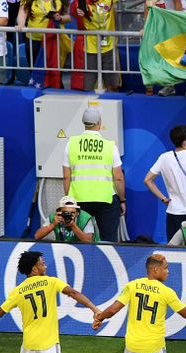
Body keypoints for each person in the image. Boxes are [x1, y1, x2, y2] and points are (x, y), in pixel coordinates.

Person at [63, 108, 126, 243]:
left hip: (79, 199)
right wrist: (122, 200)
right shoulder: (110, 146)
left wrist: (68, 201)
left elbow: (66, 177)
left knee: (79, 239)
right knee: (108, 241)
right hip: (106, 200)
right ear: (99, 123)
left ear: (83, 123)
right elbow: (118, 177)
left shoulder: (71, 144)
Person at [17, 0, 70, 89]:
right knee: (35, 73)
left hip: (54, 41)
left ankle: (56, 94)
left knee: (55, 73)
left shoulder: (61, 1)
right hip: (33, 41)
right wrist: (21, 24)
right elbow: (22, 14)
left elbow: (68, 17)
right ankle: (37, 94)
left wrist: (60, 18)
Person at [78, 0, 120, 92]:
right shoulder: (82, 3)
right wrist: (78, 14)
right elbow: (74, 14)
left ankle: (111, 99)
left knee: (112, 84)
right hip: (91, 49)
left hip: (109, 47)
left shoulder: (109, 1)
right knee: (88, 85)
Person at [34, 196, 100, 243]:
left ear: (77, 213)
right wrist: (53, 224)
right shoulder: (54, 217)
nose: (69, 215)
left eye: (73, 213)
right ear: (59, 212)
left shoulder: (85, 218)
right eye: (66, 213)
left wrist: (73, 226)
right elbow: (37, 236)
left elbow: (89, 241)